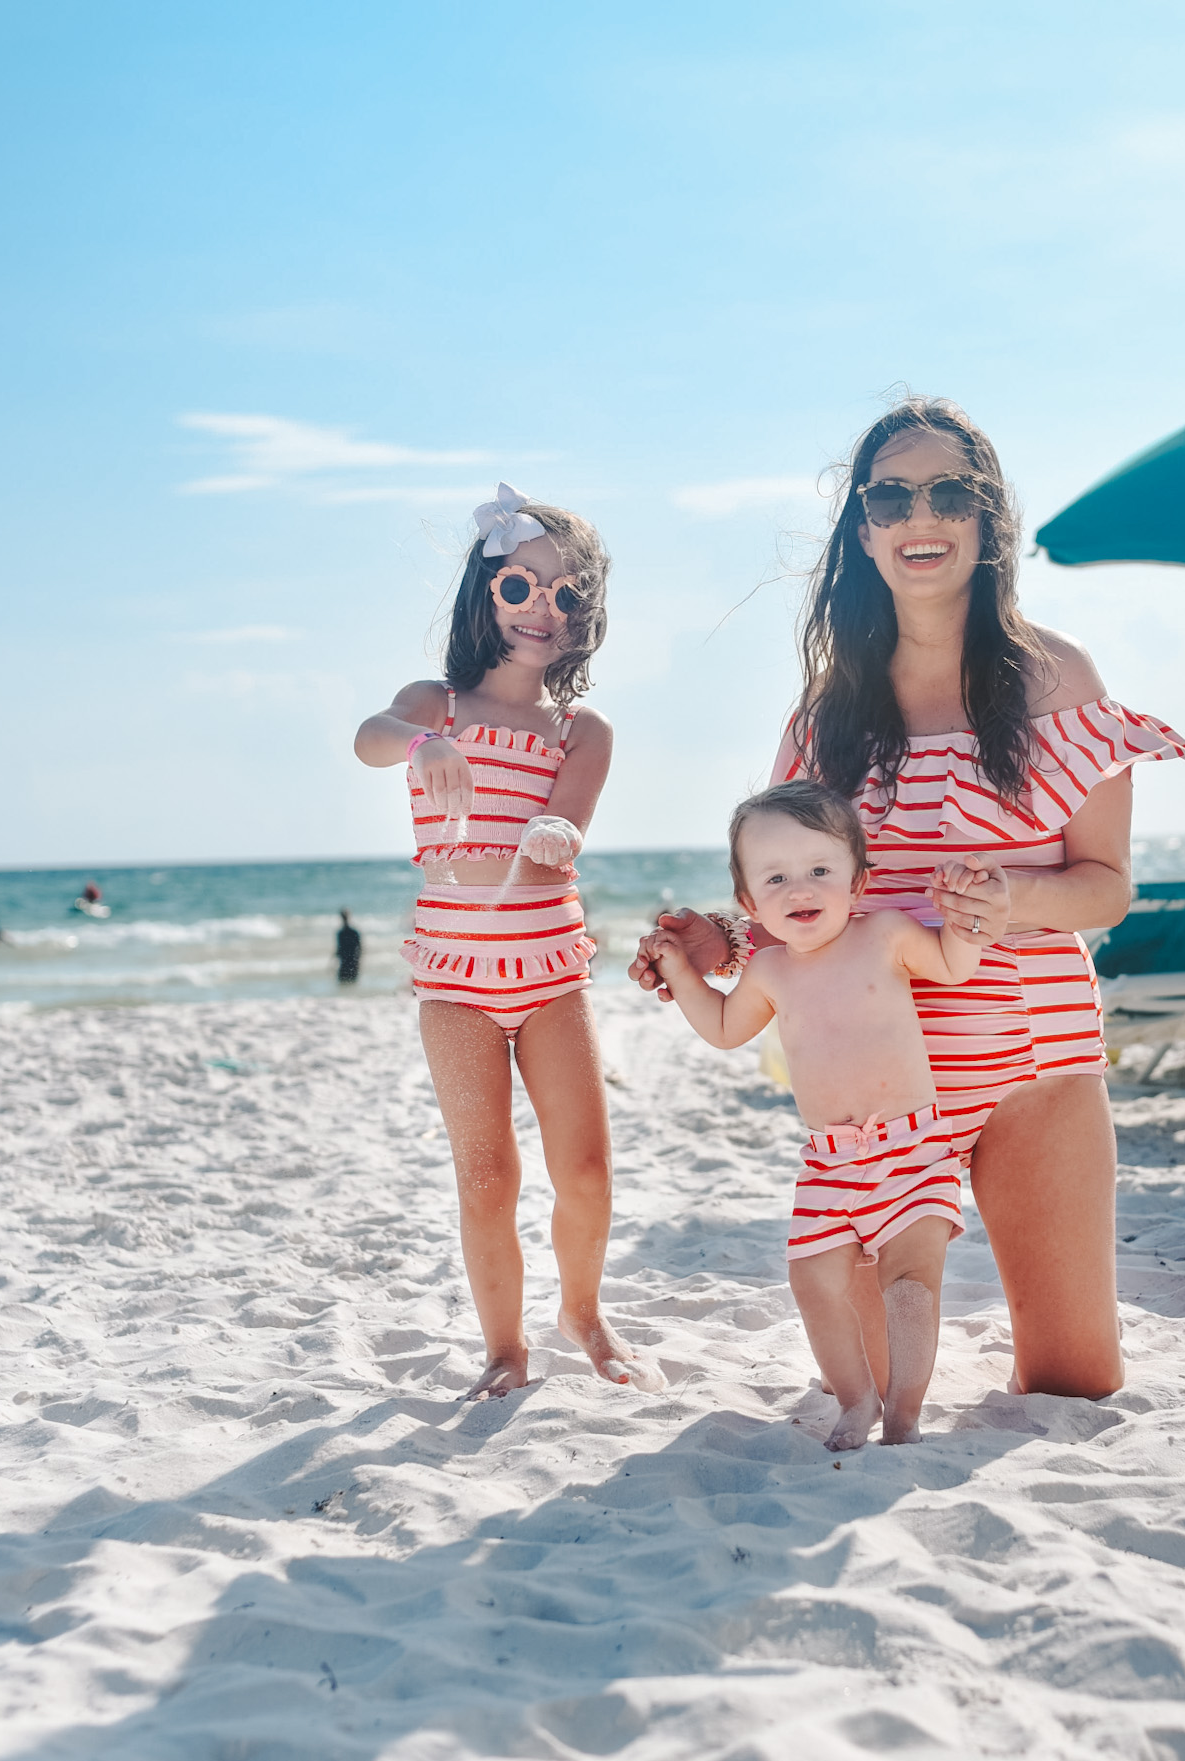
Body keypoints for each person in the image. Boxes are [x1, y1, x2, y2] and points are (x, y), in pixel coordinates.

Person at [634, 397, 1185, 1399]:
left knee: (1074, 1380)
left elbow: (1107, 888)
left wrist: (1006, 900)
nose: (919, 515)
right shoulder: (824, 715)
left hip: (1034, 1063)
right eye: (891, 495)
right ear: (863, 527)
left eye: (949, 492)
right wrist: (706, 939)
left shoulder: (1055, 677)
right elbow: (782, 901)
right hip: (875, 1101)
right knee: (877, 1388)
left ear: (988, 520)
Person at [355, 483, 660, 1400]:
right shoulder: (432, 707)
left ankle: (584, 1311)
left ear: (586, 619)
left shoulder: (581, 730)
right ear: (485, 593)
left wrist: (552, 838)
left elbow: (565, 822)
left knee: (587, 1169)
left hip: (551, 972)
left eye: (568, 596)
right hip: (453, 980)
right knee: (487, 1174)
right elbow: (370, 736)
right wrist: (421, 745)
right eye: (522, 586)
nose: (543, 609)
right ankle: (504, 1347)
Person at [646, 781, 1008, 1449]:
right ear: (750, 903)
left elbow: (955, 967)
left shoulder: (887, 937)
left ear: (857, 882)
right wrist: (680, 971)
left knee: (909, 1284)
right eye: (776, 878)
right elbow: (726, 1030)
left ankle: (904, 1410)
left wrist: (967, 919)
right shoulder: (769, 971)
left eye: (819, 871)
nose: (799, 889)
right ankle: (855, 1398)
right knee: (812, 1279)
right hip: (829, 1161)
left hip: (912, 1147)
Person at [335, 909, 363, 984]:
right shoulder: (352, 932)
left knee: (344, 983)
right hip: (351, 962)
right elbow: (360, 948)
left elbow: (338, 950)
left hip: (347, 962)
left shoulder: (341, 933)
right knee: (350, 983)